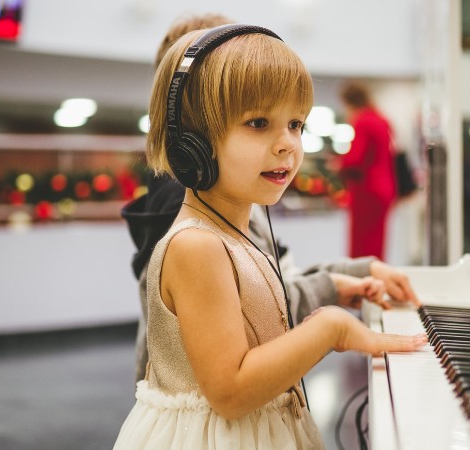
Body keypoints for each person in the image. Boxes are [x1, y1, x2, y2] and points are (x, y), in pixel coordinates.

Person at [112, 25, 427, 448]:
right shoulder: (197, 245)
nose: (288, 145)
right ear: (192, 143)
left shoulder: (237, 233)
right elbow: (231, 392)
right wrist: (329, 329)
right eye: (259, 123)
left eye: (296, 124)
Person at [334, 80, 398, 260]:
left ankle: (362, 285)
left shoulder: (362, 121)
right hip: (385, 188)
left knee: (362, 246)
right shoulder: (381, 119)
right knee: (377, 243)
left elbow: (354, 159)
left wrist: (339, 163)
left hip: (367, 191)